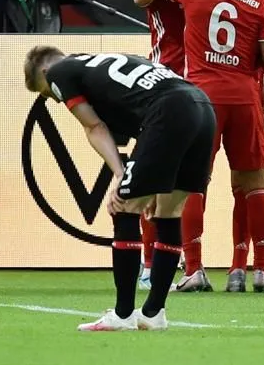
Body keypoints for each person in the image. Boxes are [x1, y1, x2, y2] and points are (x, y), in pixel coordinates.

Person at [133, 0, 264, 292]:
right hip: (244, 94)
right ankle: (259, 270)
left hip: (199, 95)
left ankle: (192, 268)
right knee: (253, 183)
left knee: (190, 181)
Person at [22, 46, 215, 331]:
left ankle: (123, 314)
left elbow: (94, 127)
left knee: (123, 206)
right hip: (202, 106)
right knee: (169, 211)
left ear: (44, 73)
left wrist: (121, 175)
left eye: (47, 93)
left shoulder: (59, 72)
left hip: (170, 109)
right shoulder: (102, 61)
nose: (52, 97)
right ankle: (153, 313)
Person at [130, 0, 221, 290]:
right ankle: (151, 264)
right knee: (155, 177)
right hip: (161, 84)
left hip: (199, 85)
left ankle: (191, 265)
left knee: (190, 180)